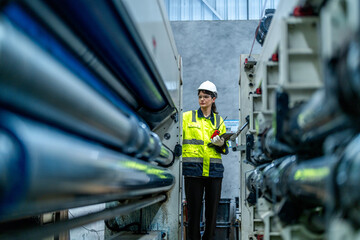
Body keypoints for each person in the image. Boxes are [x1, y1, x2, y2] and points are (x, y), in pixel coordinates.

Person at [182, 80, 228, 240]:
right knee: (193, 213)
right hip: (193, 172)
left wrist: (221, 143)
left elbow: (224, 149)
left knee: (212, 214)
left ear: (213, 99)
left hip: (214, 173)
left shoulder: (219, 121)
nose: (202, 99)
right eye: (200, 96)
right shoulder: (187, 117)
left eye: (206, 97)